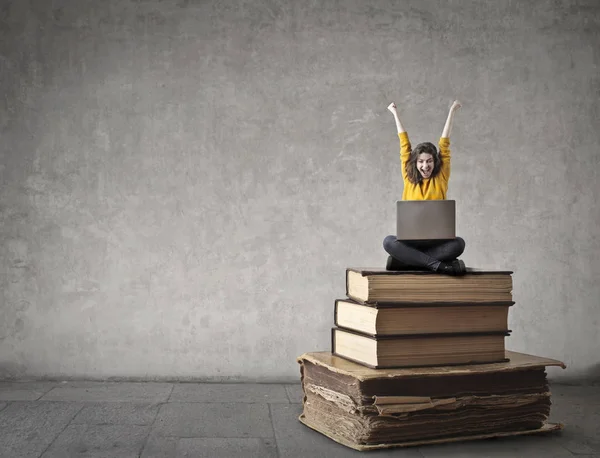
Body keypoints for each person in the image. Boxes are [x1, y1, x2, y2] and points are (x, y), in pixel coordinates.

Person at [383, 100, 467, 276]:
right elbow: (404, 144)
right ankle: (438, 265)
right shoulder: (409, 177)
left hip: (437, 241)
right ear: (416, 163)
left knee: (458, 244)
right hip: (411, 242)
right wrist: (395, 113)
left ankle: (407, 263)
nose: (425, 165)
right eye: (421, 161)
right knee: (389, 242)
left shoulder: (441, 176)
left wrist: (452, 111)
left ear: (434, 162)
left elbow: (444, 144)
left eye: (429, 161)